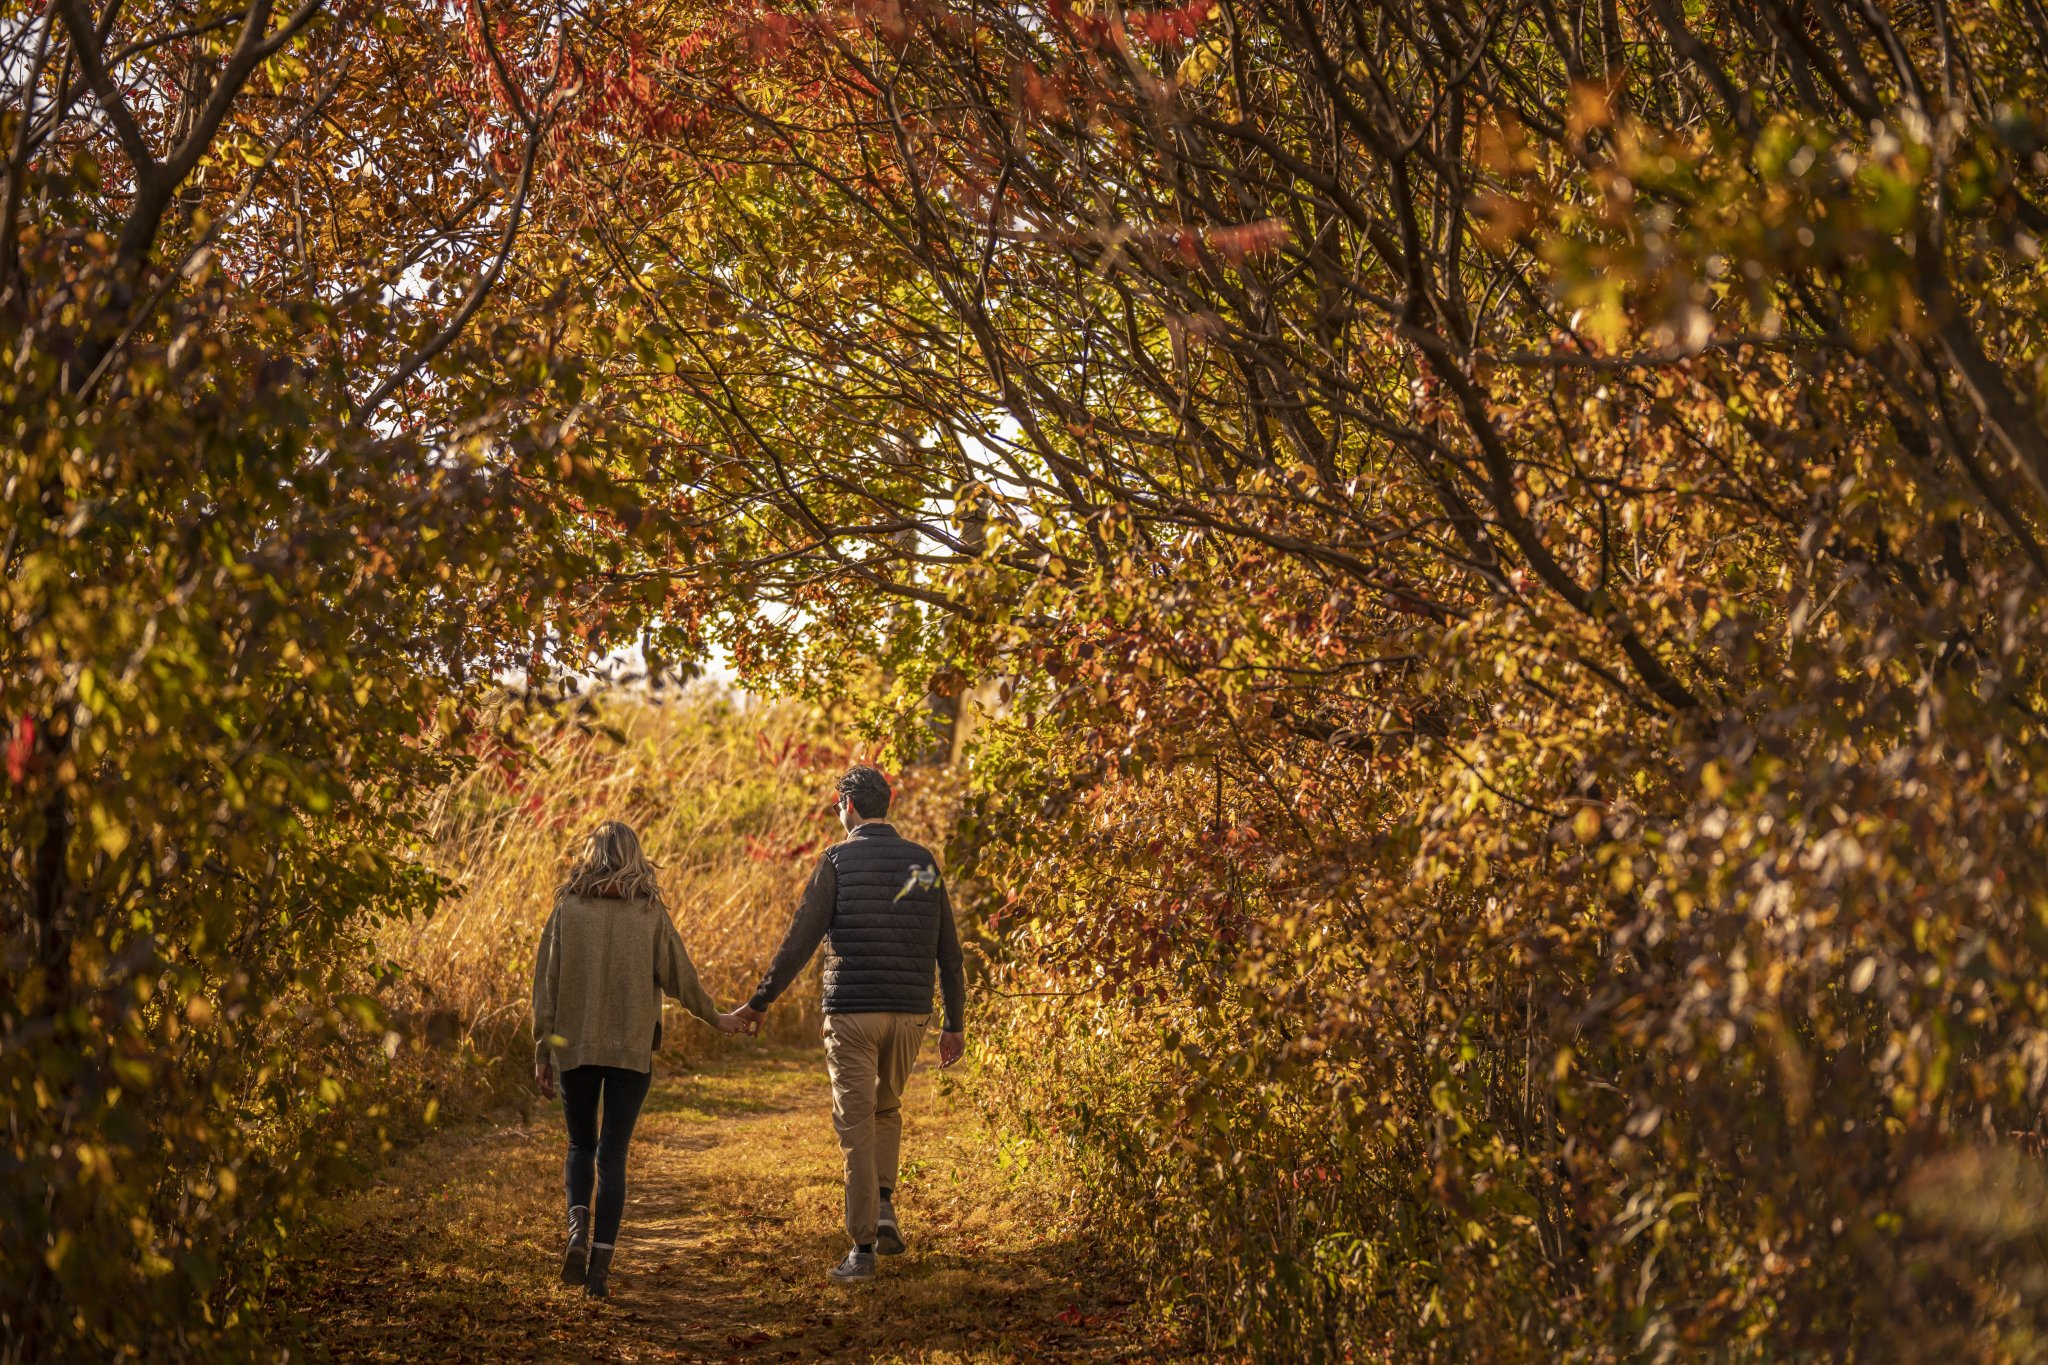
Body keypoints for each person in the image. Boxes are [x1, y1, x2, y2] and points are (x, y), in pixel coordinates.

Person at [724, 764, 966, 1284]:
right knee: (886, 1109)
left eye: (838, 806)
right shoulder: (922, 863)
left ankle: (862, 1248)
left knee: (855, 1124)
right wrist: (955, 1023)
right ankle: (882, 1207)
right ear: (888, 803)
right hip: (909, 1015)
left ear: (849, 806)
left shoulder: (835, 860)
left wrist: (760, 1001)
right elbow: (949, 951)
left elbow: (801, 939)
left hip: (852, 1013)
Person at [531, 820, 749, 1298]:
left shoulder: (567, 909)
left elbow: (545, 983)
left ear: (590, 854)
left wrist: (542, 1049)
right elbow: (681, 977)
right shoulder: (648, 913)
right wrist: (717, 1017)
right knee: (612, 1156)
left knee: (579, 1147)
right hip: (630, 1051)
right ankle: (600, 1272)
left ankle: (576, 1234)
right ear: (635, 855)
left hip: (576, 1048)